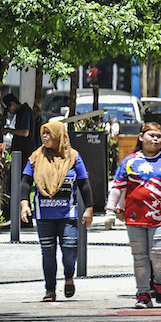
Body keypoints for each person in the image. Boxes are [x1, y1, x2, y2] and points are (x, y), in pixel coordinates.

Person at [104, 121, 161, 309]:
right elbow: (117, 188)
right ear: (141, 137)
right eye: (152, 135)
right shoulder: (129, 161)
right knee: (140, 257)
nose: (155, 139)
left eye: (159, 136)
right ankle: (143, 294)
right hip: (134, 219)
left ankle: (159, 283)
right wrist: (110, 211)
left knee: (160, 254)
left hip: (160, 219)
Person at [19, 122, 93, 302]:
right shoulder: (36, 157)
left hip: (68, 214)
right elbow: (25, 182)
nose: (45, 137)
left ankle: (69, 276)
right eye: (43, 134)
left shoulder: (74, 157)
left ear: (59, 135)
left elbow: (84, 184)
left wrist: (89, 209)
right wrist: (24, 205)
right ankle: (49, 290)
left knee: (69, 252)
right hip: (44, 215)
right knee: (48, 253)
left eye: (49, 134)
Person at [3, 93, 38, 161]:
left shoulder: (25, 112)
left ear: (13, 104)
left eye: (9, 109)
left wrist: (9, 130)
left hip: (25, 152)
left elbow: (25, 132)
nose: (10, 112)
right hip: (21, 152)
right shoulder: (20, 113)